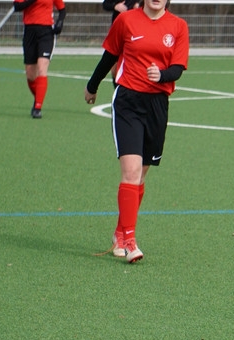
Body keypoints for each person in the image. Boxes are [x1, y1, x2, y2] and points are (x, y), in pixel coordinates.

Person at [84, 0, 189, 263]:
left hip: (157, 105)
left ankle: (120, 232)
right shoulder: (126, 20)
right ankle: (130, 241)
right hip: (128, 101)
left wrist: (162, 75)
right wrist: (92, 85)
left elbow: (177, 68)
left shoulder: (178, 26)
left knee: (140, 176)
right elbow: (109, 55)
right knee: (130, 172)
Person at [13, 0, 66, 118]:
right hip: (29, 31)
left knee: (42, 68)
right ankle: (38, 98)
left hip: (46, 32)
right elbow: (17, 6)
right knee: (30, 74)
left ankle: (37, 107)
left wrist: (60, 22)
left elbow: (62, 10)